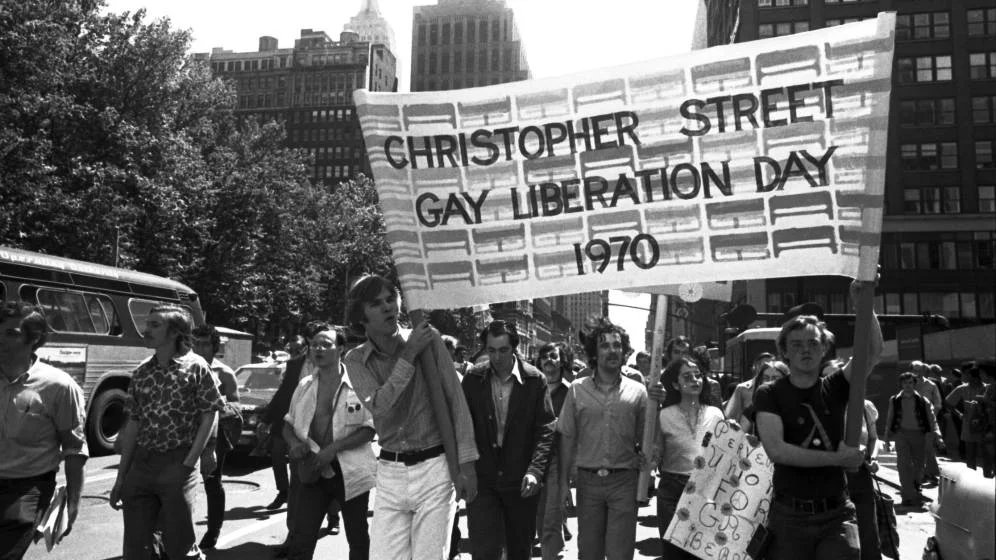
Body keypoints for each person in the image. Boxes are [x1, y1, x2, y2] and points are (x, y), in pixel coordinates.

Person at [342, 275, 479, 560]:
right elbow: (379, 405)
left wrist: (466, 464)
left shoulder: (430, 340)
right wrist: (410, 354)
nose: (388, 307)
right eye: (376, 303)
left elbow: (456, 401)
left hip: (436, 468)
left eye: (391, 298)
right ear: (361, 317)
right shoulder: (355, 360)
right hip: (390, 472)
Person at [753, 279, 884, 560]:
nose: (806, 349)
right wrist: (838, 459)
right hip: (788, 518)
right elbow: (778, 451)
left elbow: (871, 353)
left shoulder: (835, 385)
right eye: (796, 344)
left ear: (824, 349)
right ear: (784, 351)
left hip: (837, 515)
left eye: (813, 343)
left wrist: (864, 304)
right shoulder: (769, 393)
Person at [109, 305, 224, 560]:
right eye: (147, 323)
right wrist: (121, 478)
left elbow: (209, 415)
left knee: (180, 549)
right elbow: (134, 424)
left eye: (155, 325)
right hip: (142, 465)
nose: (146, 330)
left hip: (178, 464)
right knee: (135, 551)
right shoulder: (141, 373)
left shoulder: (197, 368)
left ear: (174, 333)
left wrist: (189, 464)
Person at [461, 321, 556, 560]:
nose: (497, 356)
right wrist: (465, 471)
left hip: (520, 481)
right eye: (491, 350)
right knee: (484, 551)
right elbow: (462, 427)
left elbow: (545, 430)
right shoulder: (473, 379)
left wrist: (535, 470)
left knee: (519, 550)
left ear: (514, 348)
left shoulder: (535, 380)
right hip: (483, 481)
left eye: (503, 350)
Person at [0, 302, 88, 560]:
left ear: (34, 338)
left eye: (11, 333)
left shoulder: (59, 386)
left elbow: (74, 447)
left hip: (27, 490)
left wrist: (72, 503)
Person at [558, 318, 648, 560]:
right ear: (594, 354)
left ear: (624, 351)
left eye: (617, 345)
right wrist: (564, 483)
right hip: (588, 483)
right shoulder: (577, 389)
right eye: (605, 345)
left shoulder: (639, 392)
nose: (612, 350)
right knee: (589, 552)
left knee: (620, 553)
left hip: (624, 482)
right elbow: (567, 437)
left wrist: (648, 462)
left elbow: (648, 439)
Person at [283, 324, 375, 560]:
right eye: (314, 344)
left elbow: (369, 430)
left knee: (358, 537)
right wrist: (295, 444)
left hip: (351, 473)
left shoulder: (359, 383)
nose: (318, 349)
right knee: (301, 537)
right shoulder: (304, 386)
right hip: (312, 471)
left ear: (341, 349)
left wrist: (334, 449)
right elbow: (288, 425)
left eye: (326, 344)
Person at [649, 357, 724, 559]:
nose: (694, 380)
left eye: (698, 375)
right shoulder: (663, 415)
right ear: (675, 384)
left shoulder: (716, 414)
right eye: (687, 376)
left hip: (707, 489)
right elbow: (655, 458)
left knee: (704, 553)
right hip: (672, 491)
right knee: (675, 553)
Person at [190, 325, 241, 550]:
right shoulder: (184, 368)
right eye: (196, 343)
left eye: (205, 344)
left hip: (214, 435)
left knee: (212, 482)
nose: (199, 348)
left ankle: (213, 531)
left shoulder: (224, 373)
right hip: (185, 433)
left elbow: (236, 406)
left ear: (214, 347)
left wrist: (217, 407)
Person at [533, 342, 574, 560]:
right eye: (544, 356)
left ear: (562, 361)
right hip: (530, 461)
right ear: (538, 361)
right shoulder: (530, 388)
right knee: (534, 519)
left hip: (557, 461)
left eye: (554, 356)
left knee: (551, 519)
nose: (549, 359)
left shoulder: (571, 391)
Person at [882, 372, 943, 506]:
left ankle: (916, 484)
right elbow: (890, 418)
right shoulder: (895, 400)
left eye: (910, 383)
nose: (907, 385)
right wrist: (886, 438)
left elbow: (932, 420)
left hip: (919, 435)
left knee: (919, 465)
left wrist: (937, 435)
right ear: (901, 384)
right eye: (905, 383)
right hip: (901, 435)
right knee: (903, 464)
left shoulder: (923, 400)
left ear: (915, 384)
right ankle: (907, 494)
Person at [845, 399, 883, 560]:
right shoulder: (824, 403)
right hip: (834, 472)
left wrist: (873, 458)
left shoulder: (865, 407)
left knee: (867, 522)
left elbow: (874, 438)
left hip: (861, 472)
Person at [945, 364, 992, 474]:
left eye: (965, 374)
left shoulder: (988, 387)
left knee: (987, 455)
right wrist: (959, 414)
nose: (963, 376)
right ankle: (972, 481)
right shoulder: (962, 388)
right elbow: (948, 403)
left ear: (973, 376)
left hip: (986, 426)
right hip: (968, 425)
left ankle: (988, 478)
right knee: (970, 456)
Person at [910, 360, 943, 485]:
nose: (917, 373)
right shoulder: (908, 384)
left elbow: (938, 402)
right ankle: (921, 474)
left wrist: (932, 412)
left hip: (928, 421)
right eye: (914, 370)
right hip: (911, 421)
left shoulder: (931, 385)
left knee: (929, 449)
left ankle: (933, 474)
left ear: (923, 371)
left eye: (919, 370)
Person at [723, 352, 776, 428]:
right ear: (756, 367)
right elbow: (731, 417)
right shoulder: (742, 388)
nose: (767, 367)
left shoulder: (779, 389)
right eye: (763, 365)